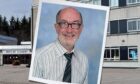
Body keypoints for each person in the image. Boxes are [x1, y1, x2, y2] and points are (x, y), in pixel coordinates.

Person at [32, 7, 88, 84]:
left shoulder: (83, 59)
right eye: (64, 23)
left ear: (81, 29)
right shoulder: (38, 57)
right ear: (56, 28)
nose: (69, 30)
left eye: (75, 24)